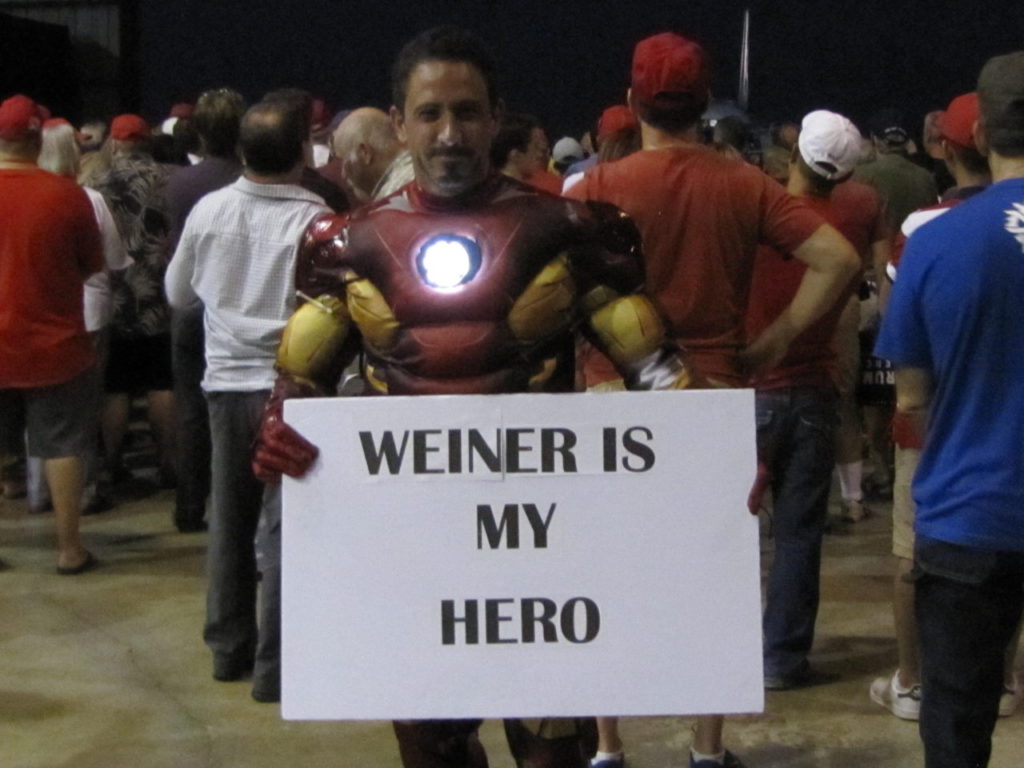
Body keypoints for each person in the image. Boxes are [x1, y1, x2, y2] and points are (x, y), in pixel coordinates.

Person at [251, 25, 691, 768]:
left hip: (544, 541)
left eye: (466, 111)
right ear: (399, 122)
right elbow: (299, 382)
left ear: (495, 117)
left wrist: (709, 459)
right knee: (432, 749)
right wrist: (280, 431)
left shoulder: (569, 231)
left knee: (553, 751)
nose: (449, 132)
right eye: (430, 114)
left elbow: (656, 370)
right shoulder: (346, 246)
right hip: (413, 545)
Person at [566, 32, 860, 768]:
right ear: (705, 104)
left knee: (609, 577)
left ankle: (607, 747)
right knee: (711, 581)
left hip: (614, 402)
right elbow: (839, 260)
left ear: (634, 105)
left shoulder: (595, 189)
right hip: (714, 399)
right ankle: (705, 749)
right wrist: (779, 339)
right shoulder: (744, 184)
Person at [873, 51, 1024, 768]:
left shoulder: (936, 242)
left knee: (958, 724)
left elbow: (910, 397)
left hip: (969, 517)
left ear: (984, 131)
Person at [165, 97, 330, 704]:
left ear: (240, 151)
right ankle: (276, 668)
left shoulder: (210, 210)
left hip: (225, 385)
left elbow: (179, 294)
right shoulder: (317, 220)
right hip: (294, 391)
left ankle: (227, 648)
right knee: (286, 533)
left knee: (229, 524)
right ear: (303, 154)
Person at [746, 110, 887, 691]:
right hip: (812, 391)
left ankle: (721, 650)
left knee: (734, 534)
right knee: (800, 535)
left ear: (796, 153)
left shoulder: (763, 216)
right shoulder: (849, 220)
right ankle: (781, 658)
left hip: (751, 390)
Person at [0, 95, 104, 574]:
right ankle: (68, 548)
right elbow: (91, 266)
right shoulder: (66, 194)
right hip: (54, 343)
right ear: (39, 136)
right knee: (63, 445)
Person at [165, 86, 247, 533]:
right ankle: (237, 505)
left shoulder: (180, 184)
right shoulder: (246, 182)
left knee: (191, 411)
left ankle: (188, 505)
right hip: (233, 307)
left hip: (190, 305)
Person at [90, 113, 176, 489]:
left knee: (116, 386)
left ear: (114, 142)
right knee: (162, 382)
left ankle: (108, 465)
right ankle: (169, 464)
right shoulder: (170, 179)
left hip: (117, 295)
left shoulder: (97, 183)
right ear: (147, 142)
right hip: (160, 295)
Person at [330, 106, 411, 202]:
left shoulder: (393, 199)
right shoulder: (422, 172)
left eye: (343, 160)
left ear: (365, 153)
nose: (343, 174)